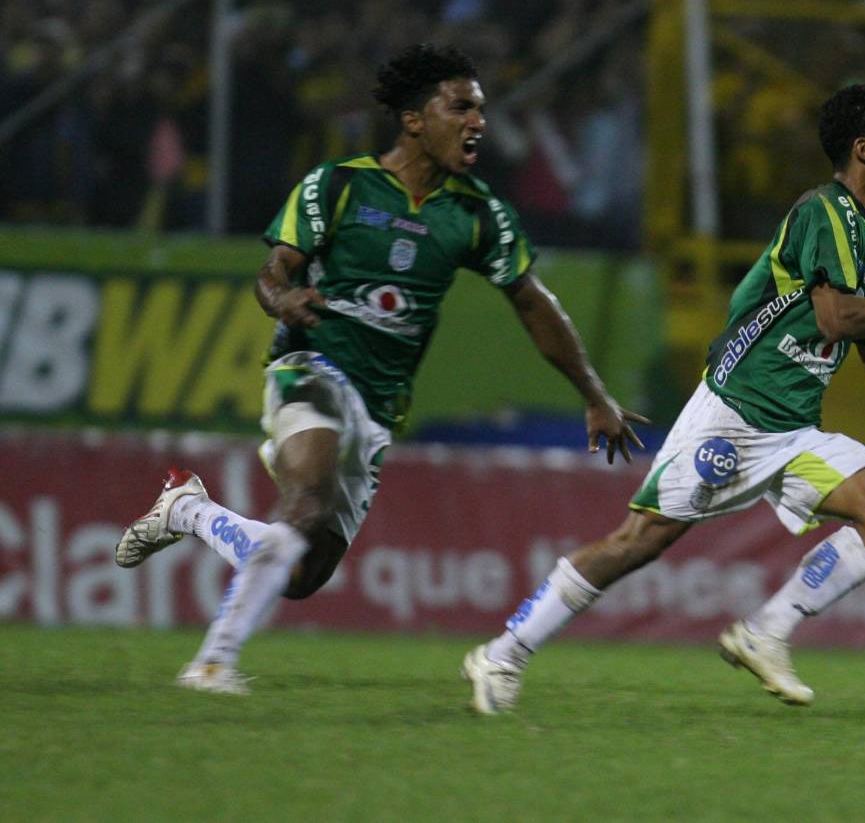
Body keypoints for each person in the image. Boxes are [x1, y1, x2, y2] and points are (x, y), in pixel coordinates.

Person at [462, 83, 865, 714]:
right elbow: (835, 320)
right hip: (736, 413)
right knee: (637, 543)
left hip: (795, 430)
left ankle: (765, 632)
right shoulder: (822, 213)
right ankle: (504, 652)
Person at [115, 44, 647, 694]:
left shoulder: (477, 214)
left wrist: (594, 394)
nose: (478, 121)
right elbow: (274, 269)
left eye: (481, 108)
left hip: (378, 404)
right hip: (308, 365)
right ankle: (212, 662)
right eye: (461, 106)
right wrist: (283, 297)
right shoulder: (338, 185)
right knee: (303, 500)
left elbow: (533, 304)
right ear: (414, 119)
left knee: (304, 570)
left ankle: (189, 510)